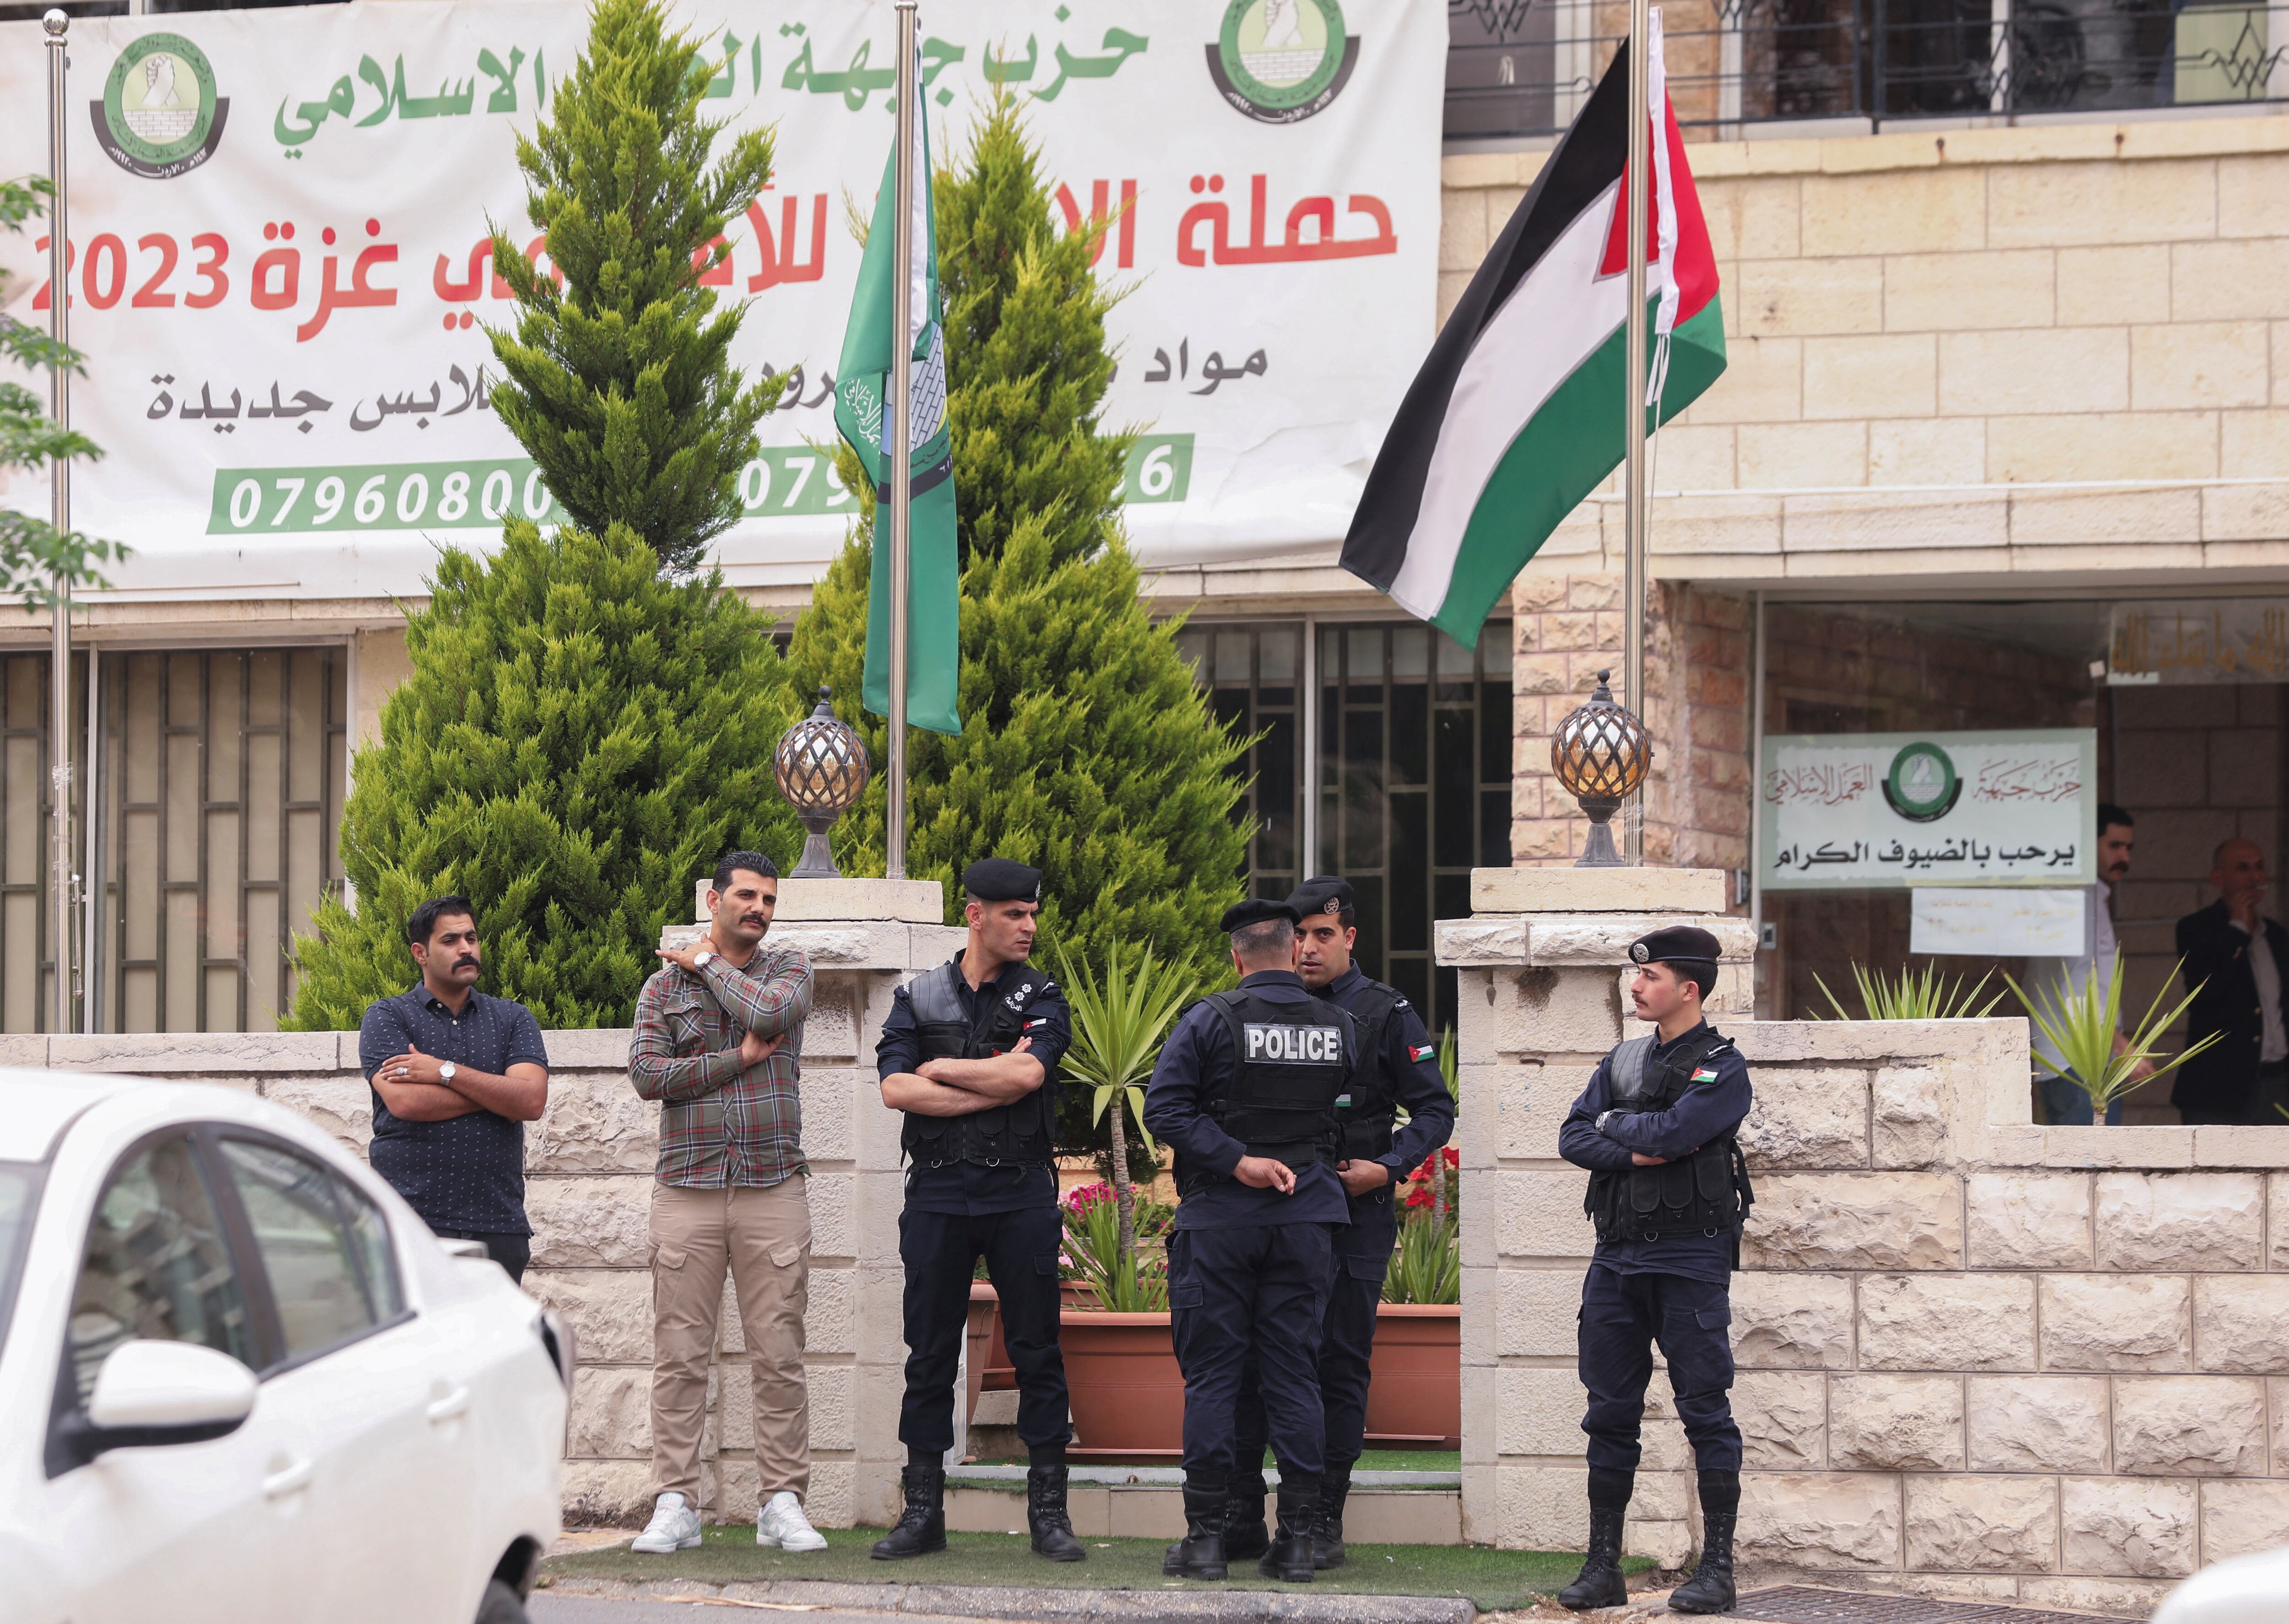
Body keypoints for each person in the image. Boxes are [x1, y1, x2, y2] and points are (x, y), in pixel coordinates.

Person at [1226, 876, 1457, 1568]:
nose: (1308, 948)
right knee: (1247, 1360)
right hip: (1265, 1212)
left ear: (1349, 938)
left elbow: (1435, 1111)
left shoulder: (1385, 1012)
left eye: (1323, 935)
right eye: (1297, 935)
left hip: (1353, 1215)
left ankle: (1321, 1518)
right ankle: (1240, 1513)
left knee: (1337, 1362)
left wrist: (1388, 1168)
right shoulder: (1245, 1009)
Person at [870, 857, 1082, 1564]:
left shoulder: (1044, 995)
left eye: (1032, 913)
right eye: (1014, 914)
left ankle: (1049, 1513)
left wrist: (943, 1069)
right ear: (976, 915)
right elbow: (896, 1091)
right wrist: (989, 1083)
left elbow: (1030, 1073)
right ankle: (923, 1510)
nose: (1028, 926)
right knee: (929, 1356)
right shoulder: (918, 997)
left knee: (1037, 1353)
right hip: (937, 1192)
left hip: (1021, 1193)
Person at [1143, 899, 1356, 1584]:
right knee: (1295, 1376)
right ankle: (1296, 1543)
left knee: (1213, 1377)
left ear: (1237, 956)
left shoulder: (1211, 1019)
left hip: (1222, 1223)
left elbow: (1165, 1109)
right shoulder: (1342, 1025)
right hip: (1306, 1221)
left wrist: (1237, 1159)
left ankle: (1206, 1541)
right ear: (1295, 949)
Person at [627, 852, 825, 1558]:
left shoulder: (791, 970)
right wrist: (737, 1061)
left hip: (774, 1186)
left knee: (779, 1354)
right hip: (687, 1188)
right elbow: (648, 1076)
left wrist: (707, 964)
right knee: (679, 1355)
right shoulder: (659, 988)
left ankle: (782, 1503)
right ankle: (676, 1502)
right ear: (713, 897)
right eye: (746, 895)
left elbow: (768, 1013)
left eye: (768, 899)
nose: (759, 909)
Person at [1553, 926, 1753, 1615]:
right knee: (1609, 1413)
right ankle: (1602, 1564)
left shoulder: (1721, 1065)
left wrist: (1620, 1130)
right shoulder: (1625, 1059)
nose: (1635, 987)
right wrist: (1632, 1142)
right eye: (1635, 977)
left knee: (1706, 1410)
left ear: (1688, 989)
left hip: (1688, 1258)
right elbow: (1571, 1135)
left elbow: (1677, 1134)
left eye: (1651, 977)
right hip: (1616, 1256)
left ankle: (1718, 1569)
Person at [360, 895, 550, 1284]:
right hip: (411, 1222)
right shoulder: (388, 1016)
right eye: (450, 941)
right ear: (421, 952)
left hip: (497, 1224)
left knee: (496, 1345)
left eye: (471, 938)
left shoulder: (512, 1017)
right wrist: (497, 1095)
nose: (466, 949)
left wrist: (442, 1071)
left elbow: (531, 1100)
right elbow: (406, 1100)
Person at [2024, 804, 2148, 1124]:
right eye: (2114, 846)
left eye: (2128, 847)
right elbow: (2078, 982)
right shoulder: (2080, 898)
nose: (2125, 857)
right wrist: (2121, 1046)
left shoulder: (2068, 895)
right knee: (2090, 1169)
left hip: (2061, 1059)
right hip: (2081, 1062)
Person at [2175, 837, 2289, 1126]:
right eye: (2243, 868)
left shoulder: (2276, 936)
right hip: (2218, 1088)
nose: (2255, 877)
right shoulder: (2196, 929)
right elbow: (2205, 994)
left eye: (2260, 868)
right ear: (2219, 879)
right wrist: (2237, 929)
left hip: (2275, 1083)